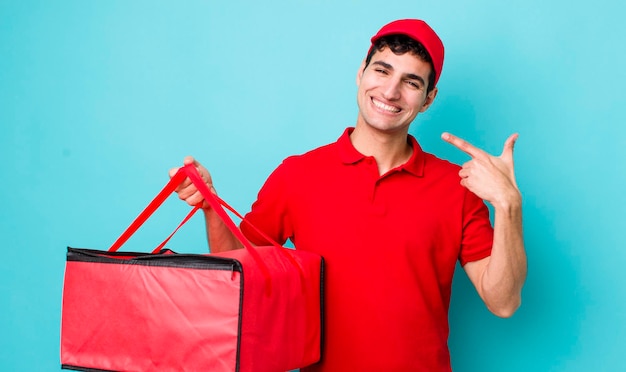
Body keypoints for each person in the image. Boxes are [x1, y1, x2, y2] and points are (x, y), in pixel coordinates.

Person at [171, 18, 527, 372]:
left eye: (411, 82)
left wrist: (509, 207)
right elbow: (237, 275)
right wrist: (210, 205)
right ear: (361, 72)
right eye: (382, 71)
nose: (390, 92)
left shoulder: (456, 187)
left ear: (428, 99)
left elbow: (503, 302)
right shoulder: (298, 175)